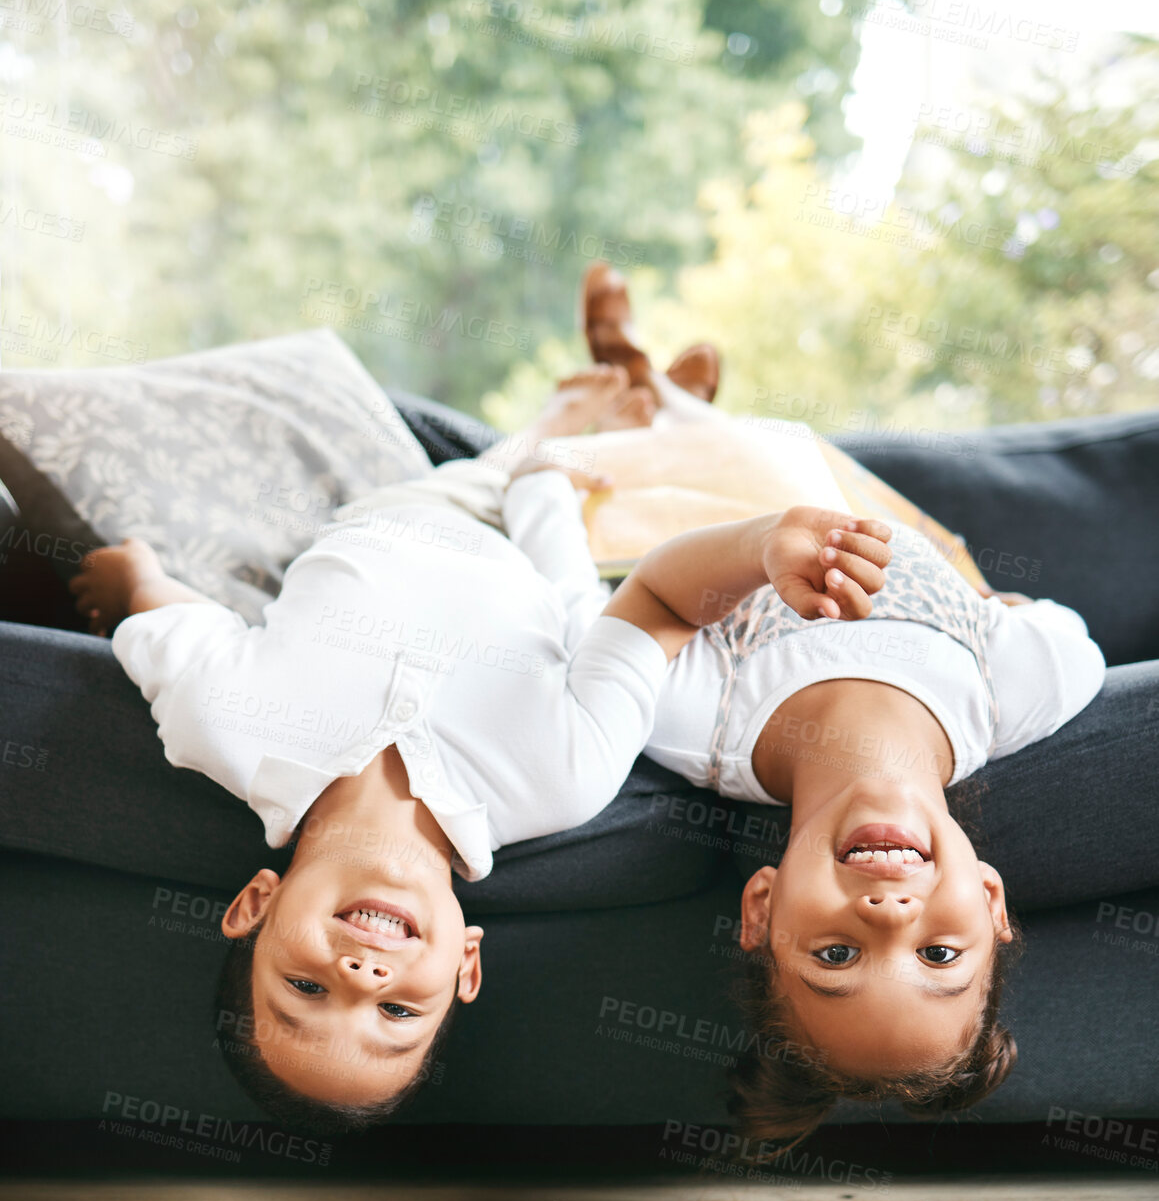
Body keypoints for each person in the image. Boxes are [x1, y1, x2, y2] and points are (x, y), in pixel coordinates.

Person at [69, 361, 891, 1133]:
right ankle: (619, 405)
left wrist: (135, 579)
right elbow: (657, 606)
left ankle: (579, 411)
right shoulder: (559, 778)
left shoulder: (222, 725)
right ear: (465, 965)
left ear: (254, 906)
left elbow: (177, 626)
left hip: (405, 514)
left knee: (509, 462)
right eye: (397, 1014)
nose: (361, 979)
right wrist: (760, 550)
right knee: (589, 482)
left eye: (304, 987)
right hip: (548, 559)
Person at [574, 266, 1106, 1150]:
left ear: (760, 910)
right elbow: (1064, 633)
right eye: (940, 956)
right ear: (990, 902)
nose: (888, 919)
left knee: (663, 442)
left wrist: (753, 548)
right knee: (745, 437)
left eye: (833, 957)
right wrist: (996, 608)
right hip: (829, 481)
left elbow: (645, 602)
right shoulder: (1011, 694)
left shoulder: (699, 727)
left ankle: (633, 382)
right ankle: (668, 388)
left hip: (666, 500)